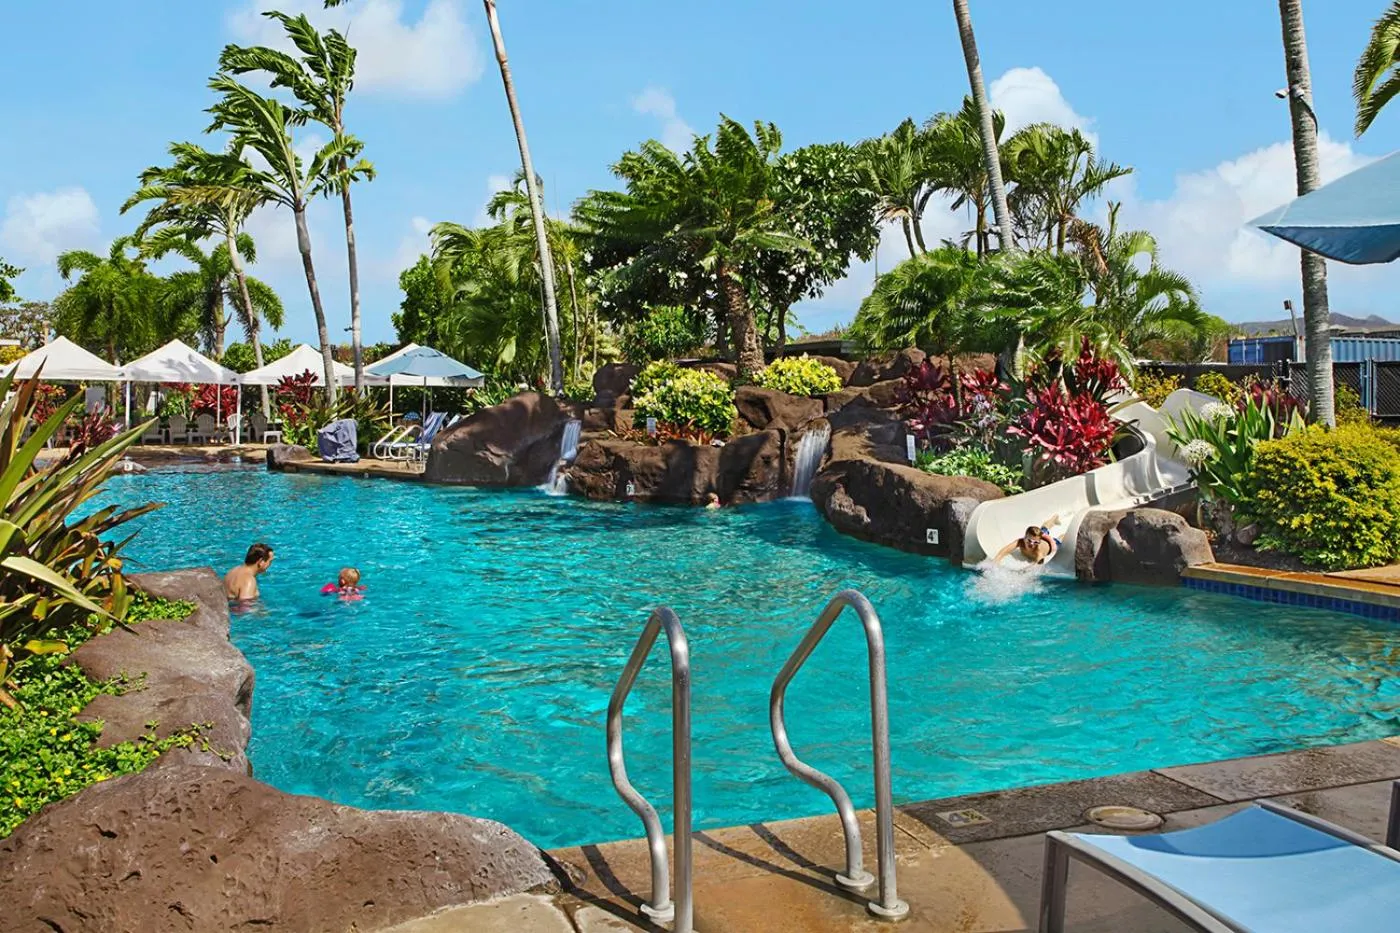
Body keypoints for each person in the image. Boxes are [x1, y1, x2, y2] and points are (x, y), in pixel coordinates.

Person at [992, 516, 1062, 566]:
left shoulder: (1038, 551)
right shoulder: (1020, 542)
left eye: (1035, 543)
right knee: (1043, 529)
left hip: (1050, 544)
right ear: (1024, 537)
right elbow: (1004, 551)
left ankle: (1062, 534)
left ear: (1038, 542)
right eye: (1029, 540)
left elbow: (1037, 565)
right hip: (1039, 537)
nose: (1031, 544)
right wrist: (996, 560)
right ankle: (1054, 518)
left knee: (1060, 539)